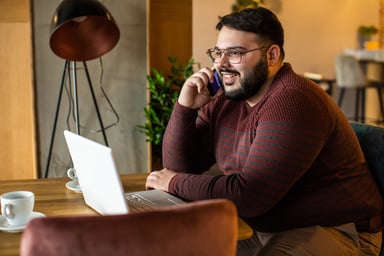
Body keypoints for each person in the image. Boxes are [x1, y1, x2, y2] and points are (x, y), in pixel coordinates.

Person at [145, 7, 383, 255]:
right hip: (261, 225)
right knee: (171, 246)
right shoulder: (226, 97)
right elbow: (179, 168)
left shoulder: (293, 100)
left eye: (235, 53)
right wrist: (185, 108)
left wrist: (173, 181)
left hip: (335, 232)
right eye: (218, 53)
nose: (221, 64)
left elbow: (249, 196)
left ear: (271, 55)